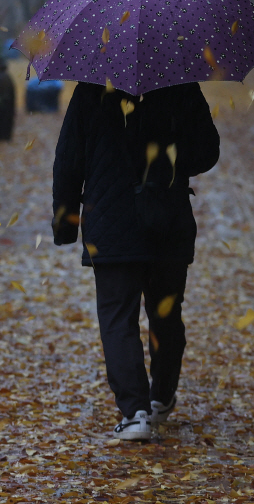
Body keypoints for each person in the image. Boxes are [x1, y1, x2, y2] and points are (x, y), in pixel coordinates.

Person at [51, 80, 219, 441]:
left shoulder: (91, 89)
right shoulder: (179, 85)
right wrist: (167, 157)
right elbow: (207, 150)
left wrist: (65, 224)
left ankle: (135, 412)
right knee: (166, 312)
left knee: (117, 314)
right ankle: (160, 398)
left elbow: (69, 159)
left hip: (111, 222)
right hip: (167, 217)